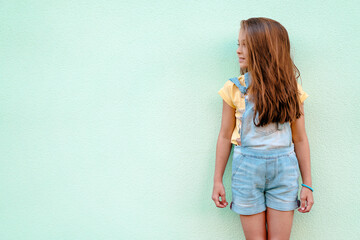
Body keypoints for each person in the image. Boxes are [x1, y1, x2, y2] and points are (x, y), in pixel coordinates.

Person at [211, 17, 314, 240]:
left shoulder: (291, 90)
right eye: (237, 44)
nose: (238, 51)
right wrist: (217, 180)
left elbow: (300, 139)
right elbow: (224, 136)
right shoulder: (234, 88)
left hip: (284, 173)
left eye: (245, 45)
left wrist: (308, 184)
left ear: (264, 48)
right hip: (246, 173)